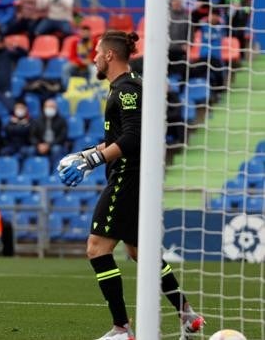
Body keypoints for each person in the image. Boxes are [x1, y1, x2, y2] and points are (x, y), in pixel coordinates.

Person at [57, 31, 205, 340]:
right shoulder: (129, 86)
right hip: (138, 176)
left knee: (97, 248)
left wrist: (94, 160)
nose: (94, 57)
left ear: (109, 56)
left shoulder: (125, 89)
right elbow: (120, 137)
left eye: (98, 52)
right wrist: (87, 154)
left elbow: (132, 139)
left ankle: (122, 329)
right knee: (141, 252)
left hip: (127, 176)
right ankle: (187, 315)